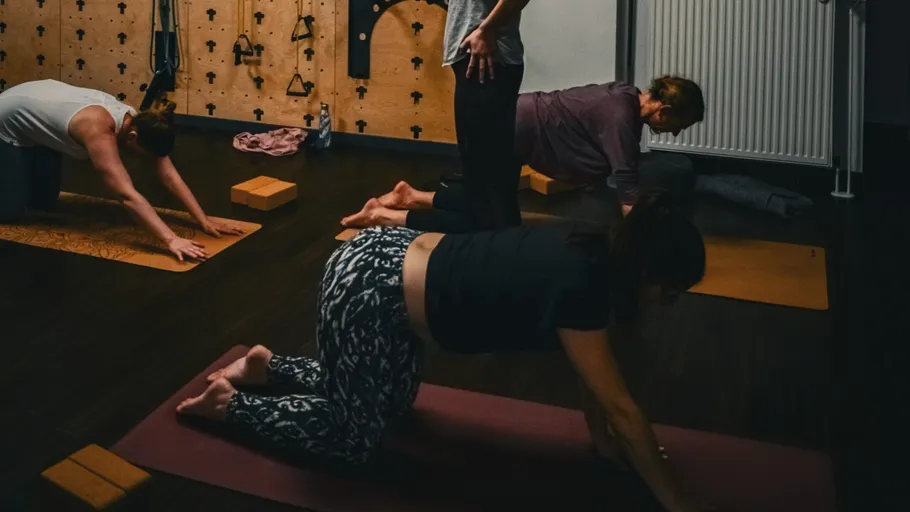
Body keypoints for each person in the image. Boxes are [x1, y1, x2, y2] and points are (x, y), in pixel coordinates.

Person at [178, 190, 714, 512]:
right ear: (647, 272)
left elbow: (599, 386)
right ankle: (230, 404)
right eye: (670, 291)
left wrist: (604, 447)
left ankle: (267, 365)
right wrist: (678, 502)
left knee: (395, 404)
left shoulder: (594, 248)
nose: (667, 303)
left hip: (388, 269)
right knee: (354, 440)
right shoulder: (586, 284)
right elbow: (622, 407)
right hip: (368, 287)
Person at [340, 76, 705, 230]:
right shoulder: (623, 114)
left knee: (491, 206)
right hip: (503, 130)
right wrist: (640, 242)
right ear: (667, 109)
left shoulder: (625, 98)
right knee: (488, 223)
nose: (673, 131)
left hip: (509, 129)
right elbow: (627, 184)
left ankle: (411, 195)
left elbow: (605, 158)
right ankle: (383, 216)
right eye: (678, 124)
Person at [0, 79, 242, 261]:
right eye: (143, 155)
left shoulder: (137, 120)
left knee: (43, 202)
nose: (141, 159)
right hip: (6, 120)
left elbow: (169, 175)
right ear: (133, 136)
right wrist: (170, 239)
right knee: (9, 213)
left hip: (32, 121)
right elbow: (125, 194)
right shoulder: (97, 129)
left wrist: (203, 220)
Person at [396, 0, 530, 234]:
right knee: (484, 182)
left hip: (488, 62)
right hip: (476, 61)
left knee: (487, 195)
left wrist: (487, 29)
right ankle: (409, 199)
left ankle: (386, 216)